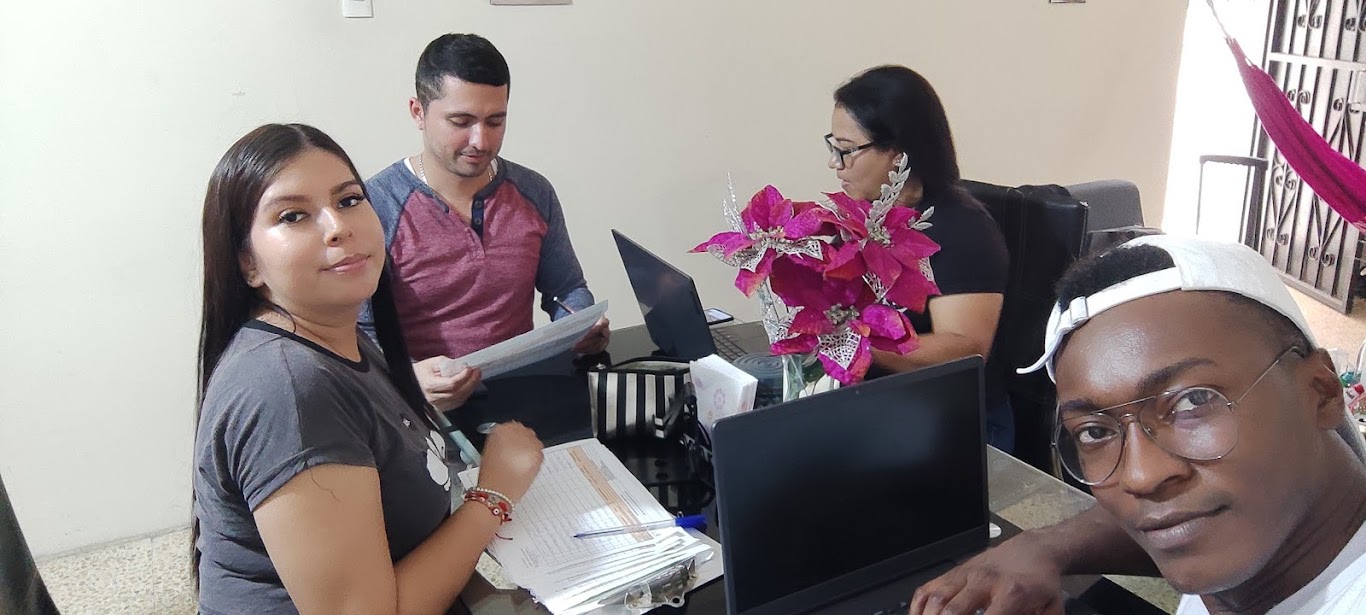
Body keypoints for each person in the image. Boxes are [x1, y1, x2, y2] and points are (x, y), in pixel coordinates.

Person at [193, 123, 545, 615]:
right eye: (293, 215)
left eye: (349, 200)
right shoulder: (287, 388)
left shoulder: (339, 336)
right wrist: (494, 494)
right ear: (248, 263)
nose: (338, 226)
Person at [910, 235, 1366, 615]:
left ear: (1322, 391)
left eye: (1193, 401)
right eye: (1095, 431)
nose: (1141, 476)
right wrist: (1042, 548)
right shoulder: (1260, 536)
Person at [362, 33, 609, 412]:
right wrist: (407, 377)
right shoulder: (376, 206)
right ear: (418, 112)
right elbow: (356, 332)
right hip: (423, 409)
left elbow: (566, 288)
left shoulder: (533, 191)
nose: (480, 140)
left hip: (524, 393)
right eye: (461, 121)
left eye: (495, 121)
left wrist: (578, 324)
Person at [826, 65, 1013, 450]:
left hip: (954, 425)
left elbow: (964, 348)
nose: (835, 163)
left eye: (846, 150)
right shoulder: (870, 214)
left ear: (897, 154)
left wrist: (852, 343)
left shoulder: (963, 230)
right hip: (884, 406)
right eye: (833, 147)